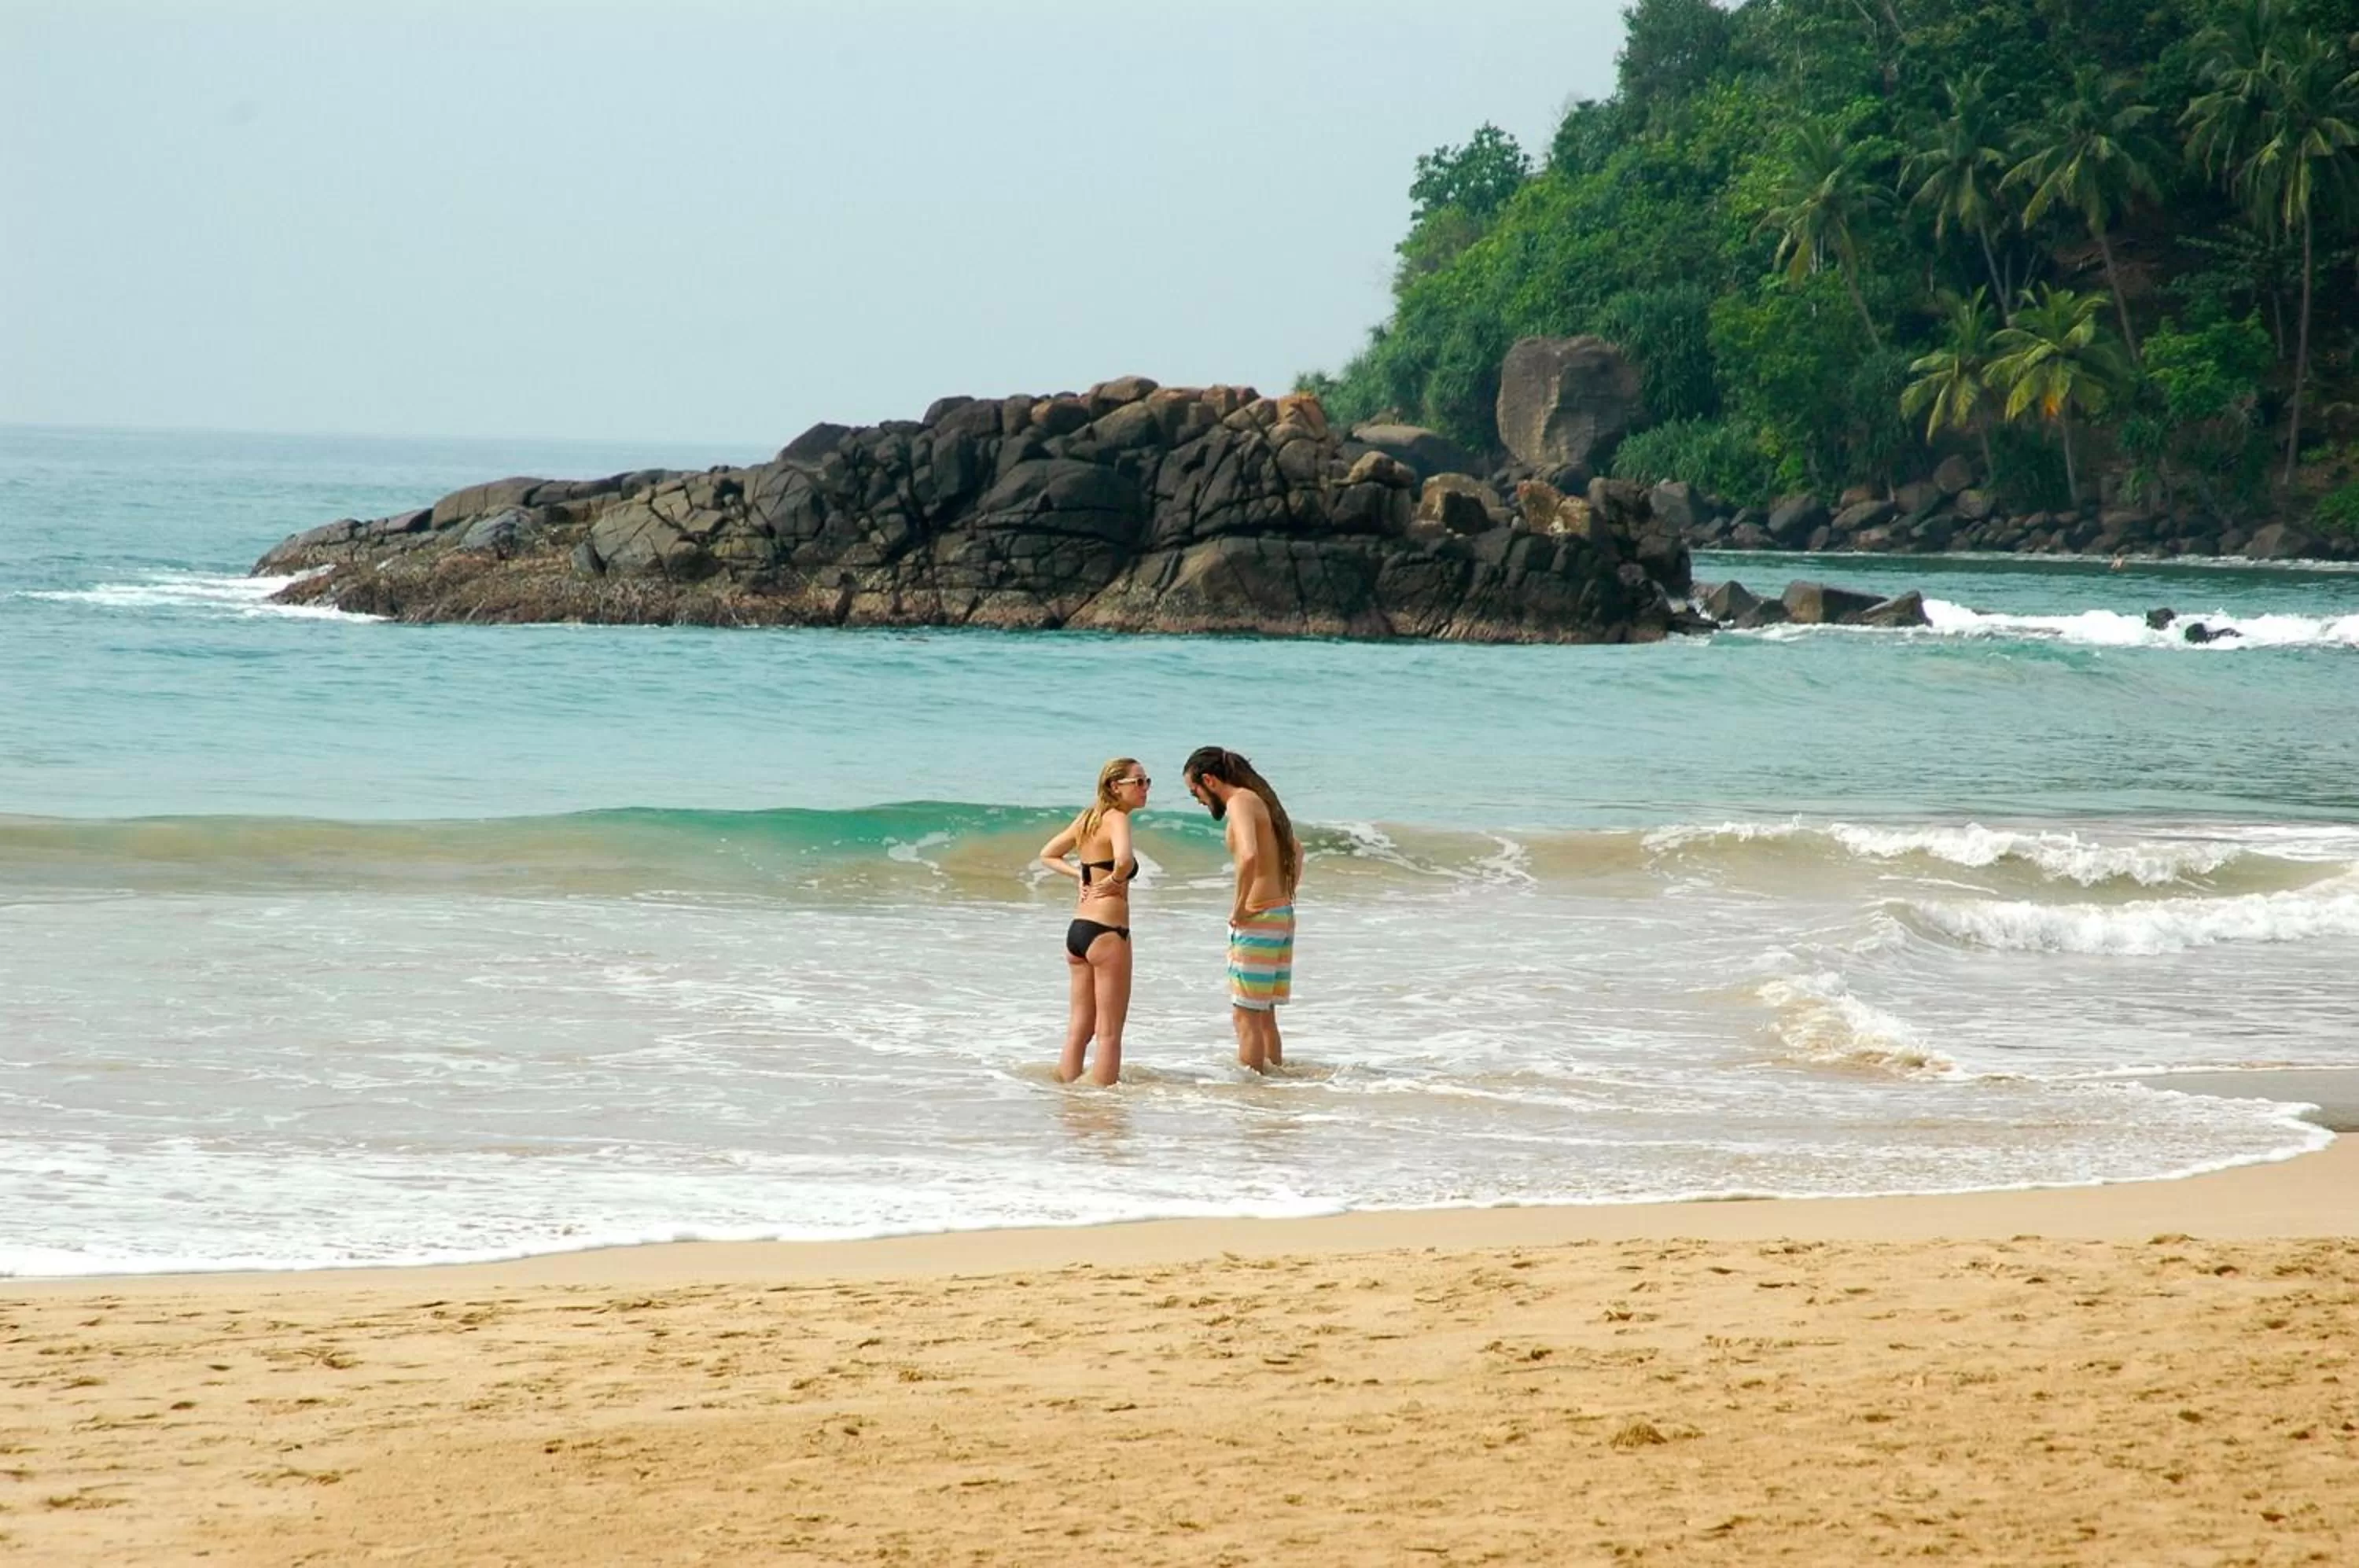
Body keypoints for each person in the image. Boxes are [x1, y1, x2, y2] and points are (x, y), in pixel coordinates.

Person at [1181, 746, 1303, 1073]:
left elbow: (1248, 856)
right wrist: (1284, 895)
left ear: (1210, 780)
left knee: (1246, 1015)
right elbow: (1297, 851)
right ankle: (1272, 1088)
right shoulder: (1259, 800)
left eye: (1196, 792)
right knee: (1264, 1015)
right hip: (1279, 914)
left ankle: (1251, 1097)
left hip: (1259, 917)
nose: (1198, 800)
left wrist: (1240, 908)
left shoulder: (1239, 802)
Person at [1038, 757, 1150, 1086]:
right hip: (1108, 934)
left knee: (1079, 1028)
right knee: (1109, 1032)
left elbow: (1047, 854)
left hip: (1078, 932)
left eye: (1147, 781)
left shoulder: (1087, 819)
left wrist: (1080, 875)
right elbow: (1125, 859)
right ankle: (1103, 1109)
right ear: (1116, 786)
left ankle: (1068, 1095)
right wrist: (1116, 879)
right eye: (1139, 782)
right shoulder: (1117, 818)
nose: (1145, 789)